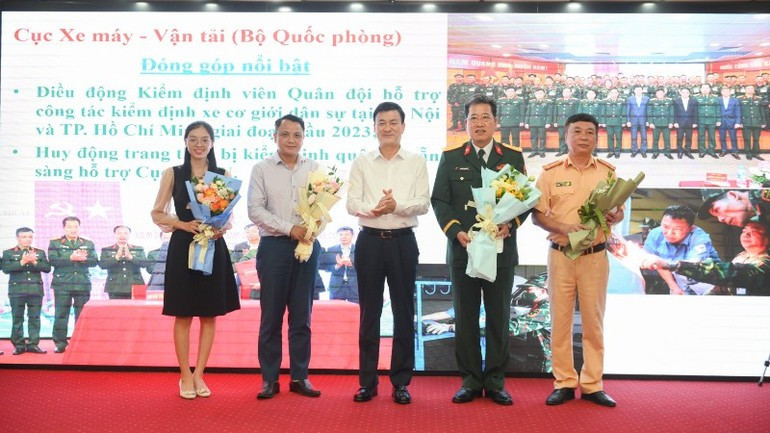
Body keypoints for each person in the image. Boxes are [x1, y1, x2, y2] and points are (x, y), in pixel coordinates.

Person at [431, 94, 528, 406]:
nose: (479, 123)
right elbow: (441, 200)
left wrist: (509, 224)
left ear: (495, 122)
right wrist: (456, 231)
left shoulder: (511, 157)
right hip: (464, 251)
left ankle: (496, 381)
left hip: (500, 251)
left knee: (499, 316)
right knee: (466, 317)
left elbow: (524, 201)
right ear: (466, 123)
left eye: (485, 117)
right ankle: (471, 380)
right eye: (473, 117)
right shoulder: (452, 156)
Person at [531, 113, 624, 408]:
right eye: (577, 131)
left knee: (594, 322)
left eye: (590, 132)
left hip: (594, 257)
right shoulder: (550, 172)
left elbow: (617, 212)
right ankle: (564, 382)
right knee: (560, 321)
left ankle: (593, 384)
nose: (584, 137)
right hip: (561, 257)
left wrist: (615, 216)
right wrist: (563, 227)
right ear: (566, 136)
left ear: (596, 138)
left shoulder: (608, 172)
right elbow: (537, 215)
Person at [346, 102, 430, 404]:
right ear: (374, 127)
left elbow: (423, 202)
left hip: (403, 241)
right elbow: (351, 202)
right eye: (382, 123)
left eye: (393, 122)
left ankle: (401, 381)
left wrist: (398, 207)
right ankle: (367, 382)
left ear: (403, 127)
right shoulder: (362, 162)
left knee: (404, 311)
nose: (388, 128)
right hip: (369, 241)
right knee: (369, 312)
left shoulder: (416, 161)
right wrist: (374, 209)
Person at [151, 120, 241, 399]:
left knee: (209, 313)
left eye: (204, 139)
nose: (199, 144)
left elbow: (229, 216)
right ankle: (185, 375)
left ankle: (200, 373)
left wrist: (219, 228)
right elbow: (157, 213)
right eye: (193, 139)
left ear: (212, 143)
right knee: (183, 312)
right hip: (183, 246)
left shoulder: (222, 174)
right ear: (186, 142)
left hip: (213, 246)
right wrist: (181, 224)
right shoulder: (173, 174)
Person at [248, 114, 322, 399]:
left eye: (297, 135)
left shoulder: (314, 169)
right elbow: (255, 210)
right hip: (275, 248)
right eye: (285, 134)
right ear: (275, 136)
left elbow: (323, 208)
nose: (291, 140)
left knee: (302, 316)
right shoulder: (262, 169)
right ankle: (269, 379)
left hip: (308, 246)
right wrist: (291, 228)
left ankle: (300, 377)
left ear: (303, 138)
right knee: (271, 316)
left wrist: (312, 229)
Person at [670, 220, 770, 296]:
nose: (746, 234)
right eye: (744, 231)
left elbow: (732, 274)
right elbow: (725, 286)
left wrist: (679, 266)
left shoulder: (766, 263)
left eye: (755, 231)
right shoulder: (742, 256)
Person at [639, 205, 720, 295]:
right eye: (665, 226)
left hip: (706, 283)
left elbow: (691, 266)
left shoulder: (700, 237)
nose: (669, 233)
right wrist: (673, 286)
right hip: (678, 283)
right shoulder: (655, 234)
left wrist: (665, 264)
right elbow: (657, 263)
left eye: (678, 228)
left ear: (691, 228)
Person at [48, 216, 98, 354]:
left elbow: (94, 261)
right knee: (61, 314)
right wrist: (70, 257)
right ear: (64, 228)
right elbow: (52, 260)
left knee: (82, 314)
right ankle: (60, 343)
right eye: (70, 227)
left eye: (76, 226)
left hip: (82, 283)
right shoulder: (55, 243)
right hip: (62, 284)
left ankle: (81, 342)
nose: (73, 229)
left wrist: (84, 259)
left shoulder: (87, 243)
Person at [1, 227, 51, 355]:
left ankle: (33, 344)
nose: (28, 239)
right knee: (17, 318)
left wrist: (34, 262)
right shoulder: (8, 253)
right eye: (24, 237)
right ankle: (19, 345)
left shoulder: (39, 252)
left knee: (34, 318)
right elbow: (6, 268)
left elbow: (47, 268)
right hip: (17, 291)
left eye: (30, 237)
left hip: (35, 290)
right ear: (17, 238)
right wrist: (22, 262)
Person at [99, 225, 148, 299]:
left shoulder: (138, 249)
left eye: (126, 233)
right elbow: (102, 265)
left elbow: (144, 264)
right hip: (115, 286)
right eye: (119, 233)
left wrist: (131, 257)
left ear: (129, 235)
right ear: (114, 235)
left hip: (135, 285)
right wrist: (117, 257)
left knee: (135, 310)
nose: (122, 236)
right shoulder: (106, 250)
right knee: (116, 310)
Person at [318, 226, 359, 303]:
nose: (344, 237)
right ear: (337, 236)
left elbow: (364, 267)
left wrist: (351, 265)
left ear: (352, 236)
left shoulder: (359, 249)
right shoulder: (331, 249)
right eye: (341, 234)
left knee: (356, 312)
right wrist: (337, 266)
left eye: (347, 234)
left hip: (355, 287)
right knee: (335, 312)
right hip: (336, 287)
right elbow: (326, 267)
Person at [698, 189, 770, 227]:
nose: (720, 219)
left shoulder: (766, 193)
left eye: (717, 210)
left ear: (733, 195)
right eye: (716, 217)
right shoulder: (761, 225)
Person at [739, 85, 767, 160]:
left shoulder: (759, 99)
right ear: (745, 90)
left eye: (751, 88)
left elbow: (762, 111)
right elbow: (739, 112)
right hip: (745, 122)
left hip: (757, 122)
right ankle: (748, 153)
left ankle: (756, 153)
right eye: (748, 88)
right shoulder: (740, 99)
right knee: (747, 139)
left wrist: (763, 122)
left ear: (754, 90)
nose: (750, 90)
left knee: (756, 139)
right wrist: (740, 122)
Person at [524, 88, 553, 158]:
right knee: (533, 137)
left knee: (542, 138)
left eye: (540, 93)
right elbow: (528, 112)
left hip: (542, 122)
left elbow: (549, 113)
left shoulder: (548, 102)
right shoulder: (531, 102)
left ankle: (542, 151)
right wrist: (526, 122)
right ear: (534, 94)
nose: (539, 95)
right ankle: (534, 151)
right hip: (532, 122)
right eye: (537, 93)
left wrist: (548, 122)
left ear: (544, 94)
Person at [647, 88, 674, 159]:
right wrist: (651, 122)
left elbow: (672, 112)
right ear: (656, 94)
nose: (660, 94)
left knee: (667, 139)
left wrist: (671, 122)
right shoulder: (652, 101)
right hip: (656, 123)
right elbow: (649, 112)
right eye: (658, 93)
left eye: (661, 93)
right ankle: (655, 152)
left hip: (666, 123)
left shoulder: (669, 101)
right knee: (655, 139)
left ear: (664, 93)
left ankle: (667, 153)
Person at [673, 87, 698, 159]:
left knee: (689, 138)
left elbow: (695, 112)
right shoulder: (676, 101)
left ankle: (688, 151)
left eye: (687, 92)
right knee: (679, 137)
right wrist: (675, 122)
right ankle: (680, 151)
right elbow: (674, 112)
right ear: (680, 93)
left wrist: (695, 122)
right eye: (683, 92)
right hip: (679, 122)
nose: (685, 94)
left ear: (689, 93)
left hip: (690, 122)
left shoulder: (693, 101)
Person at [717, 86, 742, 159]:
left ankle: (735, 151)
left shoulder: (735, 100)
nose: (725, 93)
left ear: (730, 92)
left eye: (727, 91)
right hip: (721, 121)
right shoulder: (718, 99)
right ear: (721, 92)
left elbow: (738, 112)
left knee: (733, 137)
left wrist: (738, 122)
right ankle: (724, 150)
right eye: (724, 91)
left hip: (732, 121)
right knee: (722, 137)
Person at [554, 88, 580, 156]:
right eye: (564, 92)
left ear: (571, 93)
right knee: (561, 137)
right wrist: (555, 121)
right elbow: (555, 112)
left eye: (568, 92)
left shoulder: (575, 101)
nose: (566, 93)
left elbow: (577, 112)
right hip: (560, 121)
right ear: (562, 93)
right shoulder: (558, 101)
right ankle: (562, 150)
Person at [626, 86, 650, 158]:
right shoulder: (630, 99)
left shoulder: (647, 99)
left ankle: (643, 151)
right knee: (633, 136)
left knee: (644, 136)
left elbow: (648, 111)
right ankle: (634, 151)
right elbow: (628, 110)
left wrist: (648, 121)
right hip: (633, 120)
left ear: (642, 91)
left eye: (640, 90)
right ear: (634, 91)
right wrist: (628, 121)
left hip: (643, 120)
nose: (638, 91)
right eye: (637, 90)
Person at [602, 88, 626, 158]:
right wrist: (603, 122)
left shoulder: (622, 101)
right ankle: (611, 151)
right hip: (609, 122)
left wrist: (624, 121)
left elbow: (624, 112)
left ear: (618, 93)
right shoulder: (605, 101)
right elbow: (603, 112)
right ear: (610, 93)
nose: (614, 94)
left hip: (618, 122)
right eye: (612, 92)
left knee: (619, 137)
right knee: (610, 137)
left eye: (615, 92)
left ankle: (617, 152)